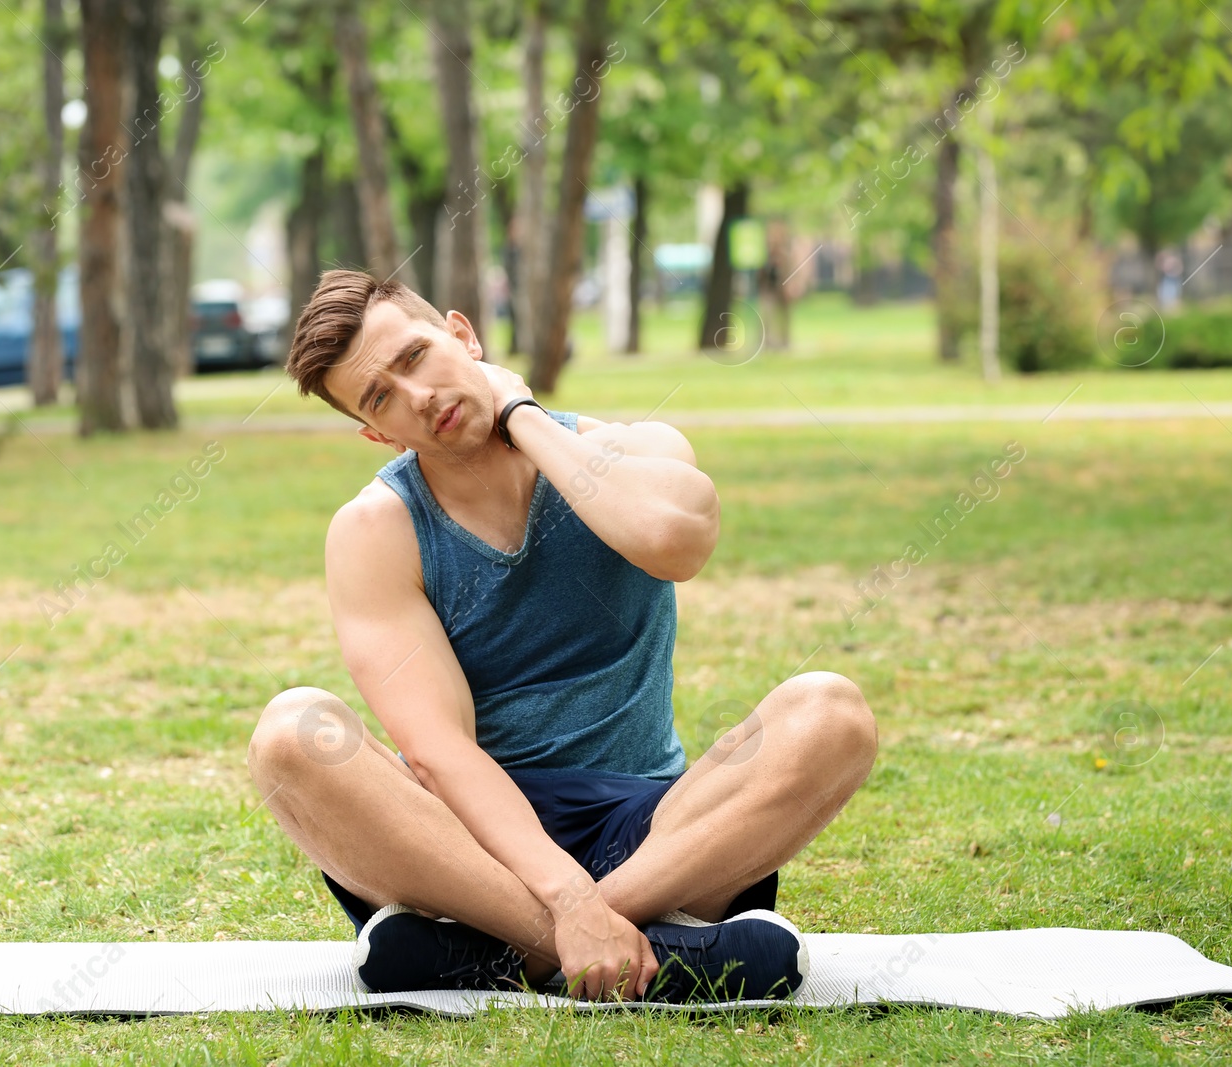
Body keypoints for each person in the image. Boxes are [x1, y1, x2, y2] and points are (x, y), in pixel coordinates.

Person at [247, 268, 877, 1003]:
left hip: (652, 832)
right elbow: (439, 750)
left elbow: (676, 540)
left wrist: (521, 414)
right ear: (376, 431)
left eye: (415, 357)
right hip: (470, 853)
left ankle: (494, 957)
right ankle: (657, 952)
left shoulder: (632, 447)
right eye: (382, 396)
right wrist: (567, 905)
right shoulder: (375, 530)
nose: (418, 397)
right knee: (291, 734)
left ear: (461, 333)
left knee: (831, 712)